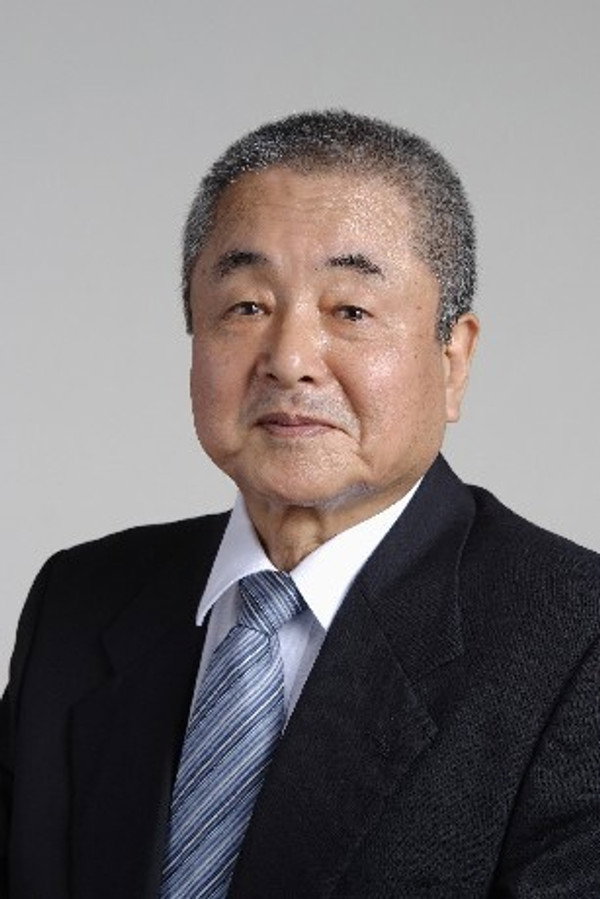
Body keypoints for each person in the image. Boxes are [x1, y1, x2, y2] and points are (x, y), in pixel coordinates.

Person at [1, 110, 599, 898]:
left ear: (453, 360)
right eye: (247, 306)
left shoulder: (575, 639)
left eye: (350, 311)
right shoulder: (80, 601)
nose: (288, 359)